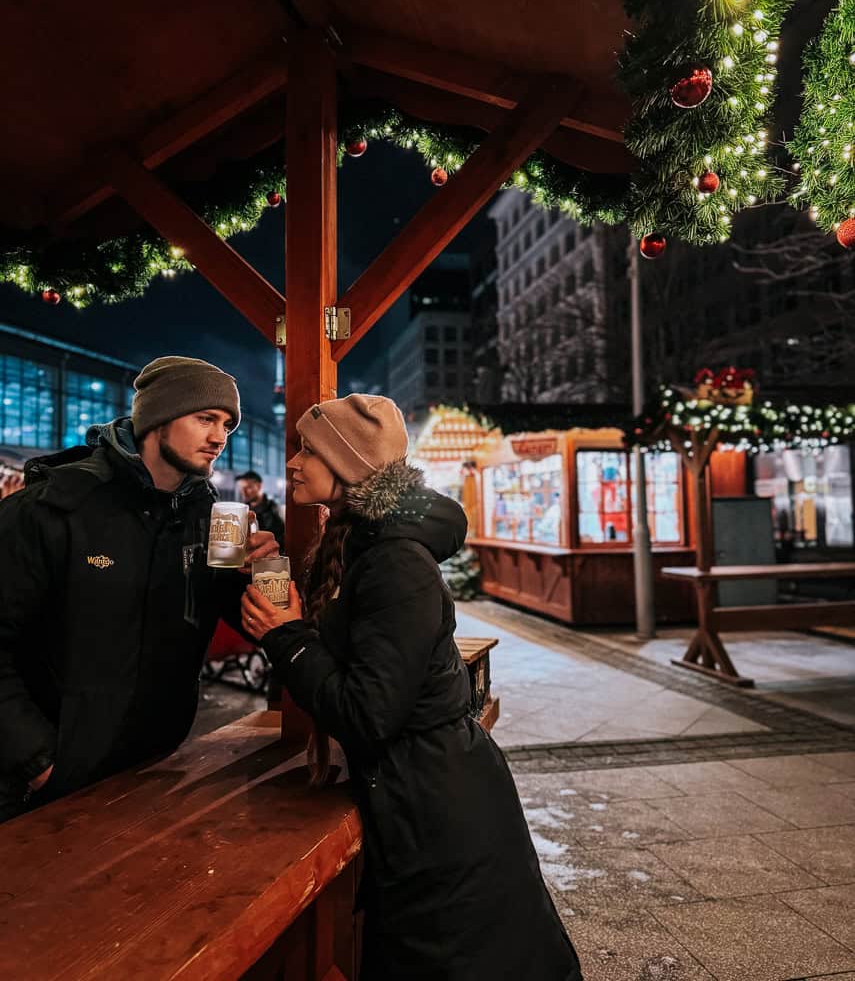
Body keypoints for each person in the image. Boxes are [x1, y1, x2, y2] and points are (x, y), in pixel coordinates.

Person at [241, 394, 583, 981]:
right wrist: (263, 588)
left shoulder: (395, 562)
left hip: (438, 813)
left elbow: (370, 711)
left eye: (308, 449)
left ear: (346, 464)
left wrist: (288, 638)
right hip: (423, 794)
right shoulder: (360, 544)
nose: (293, 463)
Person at [0, 355, 279, 823]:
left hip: (152, 764)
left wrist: (255, 572)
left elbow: (233, 616)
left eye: (228, 425)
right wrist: (40, 762)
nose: (219, 438)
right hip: (45, 786)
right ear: (158, 419)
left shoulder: (202, 515)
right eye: (205, 418)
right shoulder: (51, 509)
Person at [236, 469, 285, 549]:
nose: (244, 492)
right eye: (242, 488)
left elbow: (280, 541)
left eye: (248, 487)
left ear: (259, 486)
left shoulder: (274, 510)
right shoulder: (243, 511)